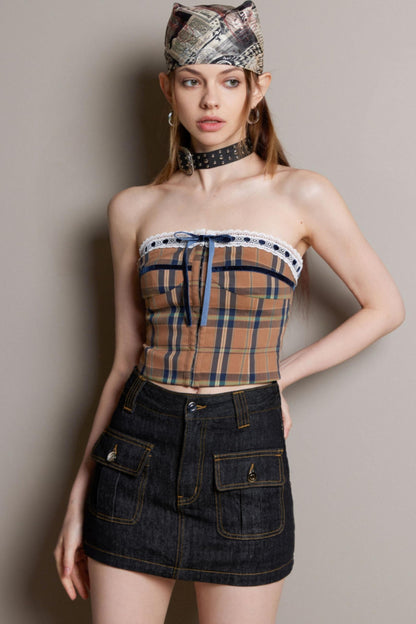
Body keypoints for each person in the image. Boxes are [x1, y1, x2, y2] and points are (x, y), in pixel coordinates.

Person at [53, 2, 405, 622]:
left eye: (230, 80)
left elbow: (386, 307)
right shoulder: (133, 208)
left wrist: (277, 379)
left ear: (257, 89)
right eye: (192, 80)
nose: (210, 99)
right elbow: (125, 362)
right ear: (168, 89)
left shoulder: (300, 192)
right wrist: (78, 498)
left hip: (244, 455)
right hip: (135, 454)